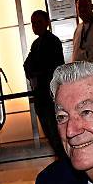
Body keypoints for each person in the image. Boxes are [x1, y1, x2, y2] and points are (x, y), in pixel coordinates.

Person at [24, 10, 66, 158]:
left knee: (55, 132)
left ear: (47, 22)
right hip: (41, 95)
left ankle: (62, 159)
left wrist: (36, 72)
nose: (35, 26)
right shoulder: (36, 43)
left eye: (39, 22)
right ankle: (60, 158)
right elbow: (27, 65)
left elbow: (51, 67)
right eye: (33, 23)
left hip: (49, 95)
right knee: (49, 131)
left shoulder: (52, 41)